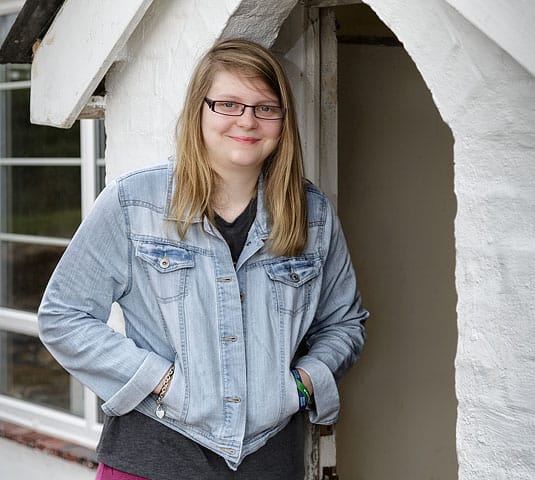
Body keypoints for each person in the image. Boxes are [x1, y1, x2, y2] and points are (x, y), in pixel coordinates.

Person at [37, 39, 368, 479]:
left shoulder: (314, 216)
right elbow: (63, 315)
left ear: (283, 121)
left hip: (269, 462)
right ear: (199, 110)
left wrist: (302, 385)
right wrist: (160, 379)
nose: (247, 120)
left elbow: (345, 323)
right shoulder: (134, 203)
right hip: (152, 456)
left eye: (265, 107)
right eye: (228, 104)